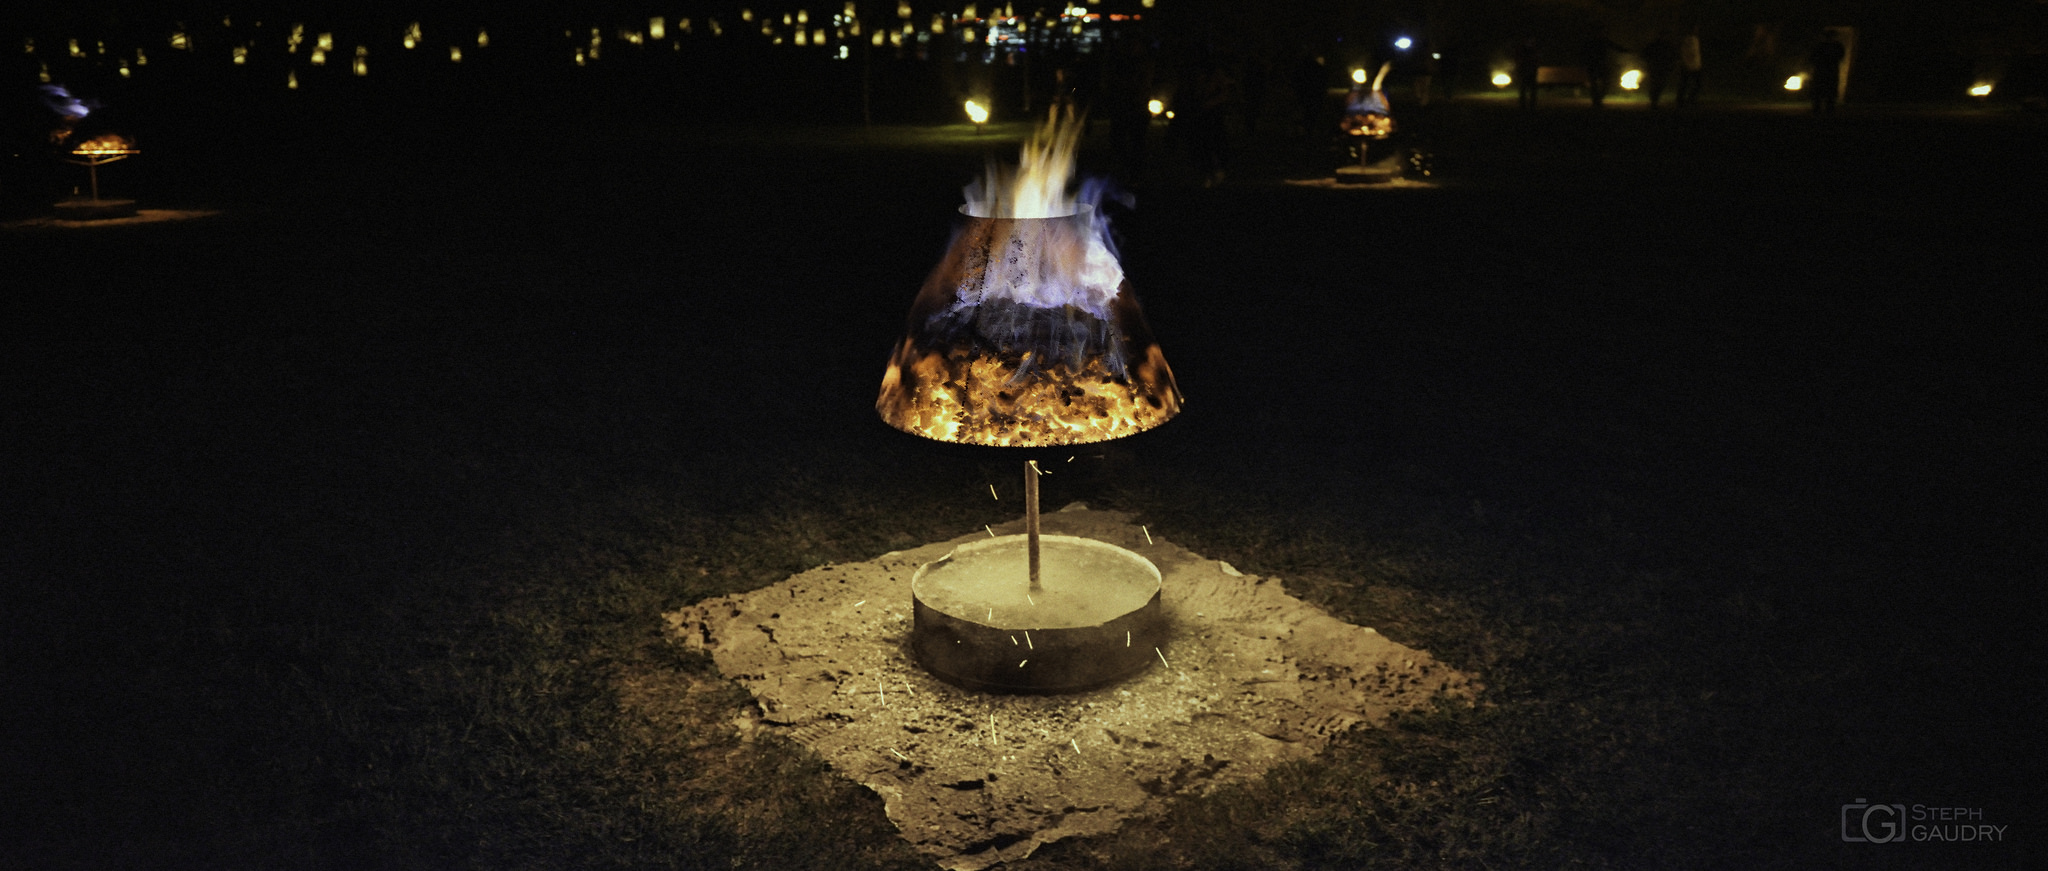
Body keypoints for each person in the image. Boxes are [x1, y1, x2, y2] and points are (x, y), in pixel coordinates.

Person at [1579, 28, 1626, 108]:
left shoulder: (1594, 41)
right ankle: (1597, 100)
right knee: (1600, 83)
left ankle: (1597, 100)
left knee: (1600, 83)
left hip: (1596, 65)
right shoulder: (1596, 41)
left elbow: (1615, 46)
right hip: (1596, 65)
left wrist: (1625, 50)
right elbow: (1615, 46)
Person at [1807, 29, 1845, 114]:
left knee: (1825, 89)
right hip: (1826, 70)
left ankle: (1823, 108)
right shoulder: (1834, 46)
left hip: (1826, 70)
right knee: (1824, 89)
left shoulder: (1822, 46)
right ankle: (1823, 108)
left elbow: (1812, 58)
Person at [1640, 32, 1679, 109]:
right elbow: (1644, 54)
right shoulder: (1663, 45)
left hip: (1658, 67)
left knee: (1656, 84)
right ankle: (1654, 101)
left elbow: (1643, 54)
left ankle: (1654, 101)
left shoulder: (1657, 45)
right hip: (1659, 67)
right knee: (1658, 84)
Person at [1677, 27, 1704, 108]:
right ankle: (1683, 100)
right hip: (1689, 65)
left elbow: (1695, 53)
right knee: (1686, 83)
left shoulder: (1695, 40)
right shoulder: (1689, 40)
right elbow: (1688, 53)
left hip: (1695, 65)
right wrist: (1686, 63)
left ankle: (1689, 99)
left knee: (1692, 83)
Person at [1514, 39, 1541, 109]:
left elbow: (1536, 61)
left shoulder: (1526, 51)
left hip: (1528, 71)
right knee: (1526, 89)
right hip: (1528, 71)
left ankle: (1528, 104)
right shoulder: (1529, 51)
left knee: (1527, 89)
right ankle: (1527, 104)